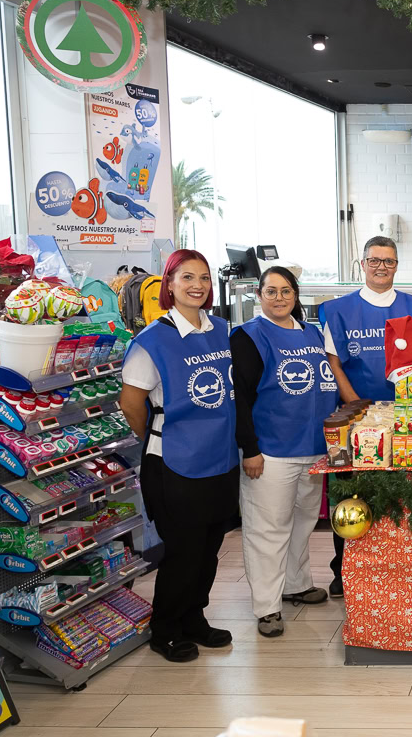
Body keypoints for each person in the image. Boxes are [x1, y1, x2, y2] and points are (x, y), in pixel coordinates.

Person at [120, 249, 238, 663]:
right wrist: (160, 433)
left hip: (220, 457)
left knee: (209, 548)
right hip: (173, 461)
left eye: (204, 278)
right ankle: (165, 628)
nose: (197, 285)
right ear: (169, 284)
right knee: (183, 551)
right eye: (187, 277)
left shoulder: (221, 329)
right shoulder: (152, 340)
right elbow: (132, 403)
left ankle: (194, 619)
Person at [318, 236, 412, 597]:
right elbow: (334, 361)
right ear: (363, 264)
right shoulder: (337, 310)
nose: (381, 266)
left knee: (403, 494)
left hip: (406, 420)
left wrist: (409, 410)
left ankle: (402, 565)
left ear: (397, 265)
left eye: (388, 260)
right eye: (374, 260)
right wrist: (358, 408)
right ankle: (344, 570)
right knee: (353, 494)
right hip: (357, 419)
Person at [230, 266, 337, 638]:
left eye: (286, 291)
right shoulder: (248, 336)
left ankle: (296, 583)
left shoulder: (313, 332)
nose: (279, 298)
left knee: (302, 523)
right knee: (268, 529)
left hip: (313, 448)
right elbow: (240, 399)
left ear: (296, 295)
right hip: (271, 451)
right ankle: (267, 606)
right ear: (259, 295)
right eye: (271, 291)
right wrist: (250, 448)